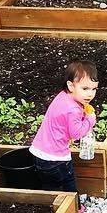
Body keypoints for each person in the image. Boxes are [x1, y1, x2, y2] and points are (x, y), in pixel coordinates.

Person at [29, 60, 99, 193]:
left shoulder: (63, 96)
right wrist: (90, 120)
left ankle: (50, 206)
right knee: (68, 182)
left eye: (94, 89)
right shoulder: (73, 110)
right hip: (56, 158)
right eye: (85, 89)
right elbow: (76, 133)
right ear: (71, 86)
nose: (90, 94)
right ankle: (75, 209)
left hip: (39, 152)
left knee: (50, 186)